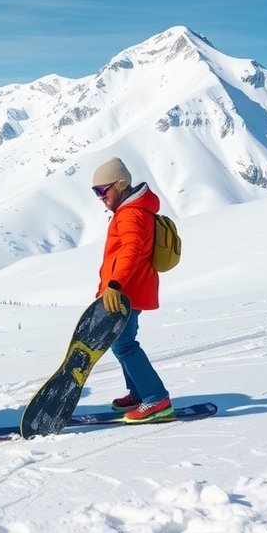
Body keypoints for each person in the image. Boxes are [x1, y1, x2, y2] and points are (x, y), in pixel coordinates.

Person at [90, 157, 173, 423]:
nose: (100, 197)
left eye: (103, 191)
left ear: (121, 184)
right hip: (129, 289)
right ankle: (139, 393)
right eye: (96, 191)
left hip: (127, 290)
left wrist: (115, 284)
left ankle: (156, 399)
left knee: (124, 345)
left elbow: (131, 251)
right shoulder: (132, 210)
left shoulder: (131, 214)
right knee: (122, 343)